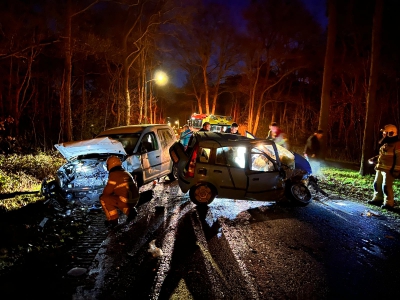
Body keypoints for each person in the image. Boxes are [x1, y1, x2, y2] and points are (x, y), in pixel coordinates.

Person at [99, 156, 140, 228]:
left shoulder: (114, 175)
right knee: (118, 198)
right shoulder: (125, 172)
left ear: (110, 165)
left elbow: (106, 192)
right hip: (134, 199)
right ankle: (130, 212)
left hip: (126, 201)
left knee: (103, 198)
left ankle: (112, 220)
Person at [368, 124, 400, 210]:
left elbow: (398, 158)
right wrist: (374, 159)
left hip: (389, 170)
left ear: (391, 133)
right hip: (380, 168)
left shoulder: (397, 145)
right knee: (376, 184)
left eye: (385, 133)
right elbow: (382, 155)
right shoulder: (385, 144)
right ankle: (377, 199)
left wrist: (396, 170)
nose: (383, 135)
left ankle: (389, 203)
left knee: (386, 187)